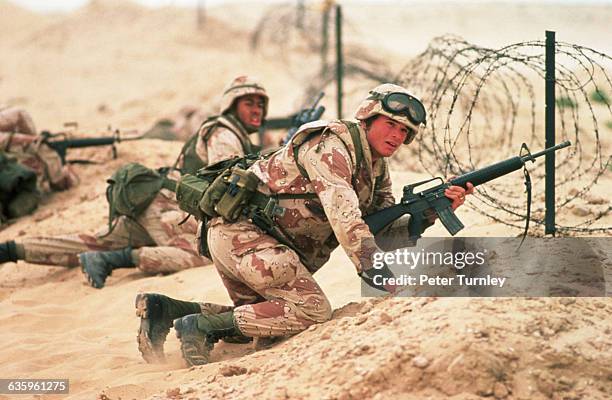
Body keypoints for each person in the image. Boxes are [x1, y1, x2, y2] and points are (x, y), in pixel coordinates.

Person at [134, 83, 474, 366]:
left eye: (404, 131)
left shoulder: (377, 170)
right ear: (368, 117)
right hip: (244, 235)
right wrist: (382, 277)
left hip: (256, 244)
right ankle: (200, 326)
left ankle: (170, 311)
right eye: (391, 125)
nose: (397, 136)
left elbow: (380, 235)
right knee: (311, 311)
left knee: (266, 320)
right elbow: (346, 218)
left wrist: (429, 214)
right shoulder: (331, 145)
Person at [0, 76, 269, 291]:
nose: (256, 110)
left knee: (93, 243)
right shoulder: (224, 133)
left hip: (150, 202)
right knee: (207, 255)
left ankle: (12, 250)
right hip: (167, 208)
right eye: (249, 103)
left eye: (260, 104)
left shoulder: (224, 131)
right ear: (232, 105)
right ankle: (115, 260)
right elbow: (229, 185)